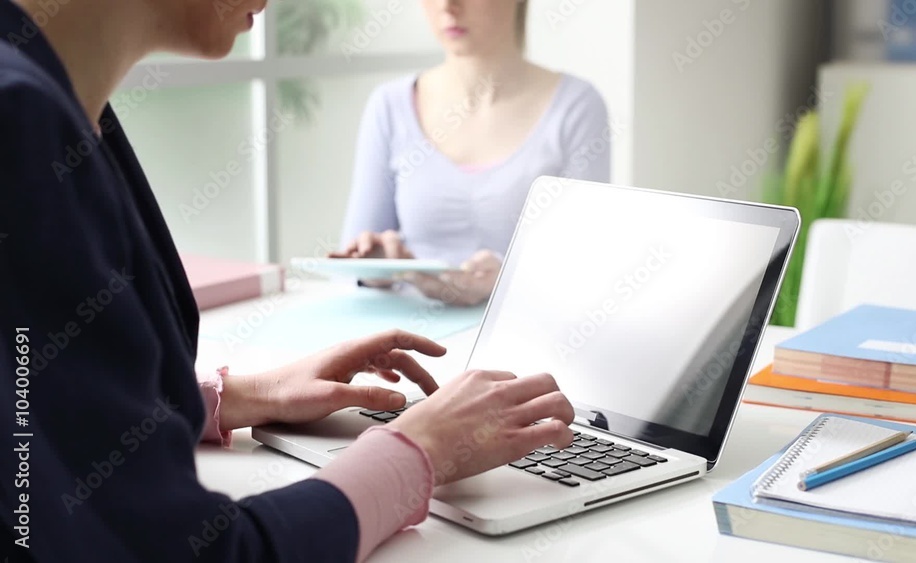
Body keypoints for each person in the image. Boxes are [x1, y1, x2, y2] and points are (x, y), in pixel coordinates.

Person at [0, 0, 576, 561]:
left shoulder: (57, 105)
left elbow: (36, 403)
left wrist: (242, 396)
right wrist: (420, 449)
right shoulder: (22, 125)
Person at [336, 0, 612, 306]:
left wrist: (507, 280)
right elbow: (350, 272)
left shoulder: (576, 107)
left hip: (526, 337)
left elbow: (588, 269)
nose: (447, 5)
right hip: (410, 342)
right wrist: (376, 269)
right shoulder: (389, 105)